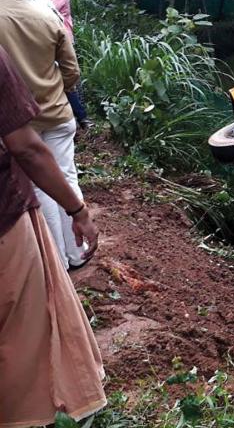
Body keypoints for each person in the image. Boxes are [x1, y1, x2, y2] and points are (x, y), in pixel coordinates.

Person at [0, 45, 106, 426]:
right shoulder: (43, 13)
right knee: (21, 330)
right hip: (5, 218)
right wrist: (78, 210)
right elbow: (26, 148)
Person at [0, 0, 89, 269]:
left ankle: (58, 261)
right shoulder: (46, 14)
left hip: (20, 122)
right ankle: (78, 252)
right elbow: (71, 70)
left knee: (41, 186)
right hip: (59, 113)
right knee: (66, 175)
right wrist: (58, 91)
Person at [34, 0, 94, 130]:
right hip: (49, 41)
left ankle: (82, 117)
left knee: (70, 77)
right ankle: (78, 116)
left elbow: (42, 12)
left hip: (63, 41)